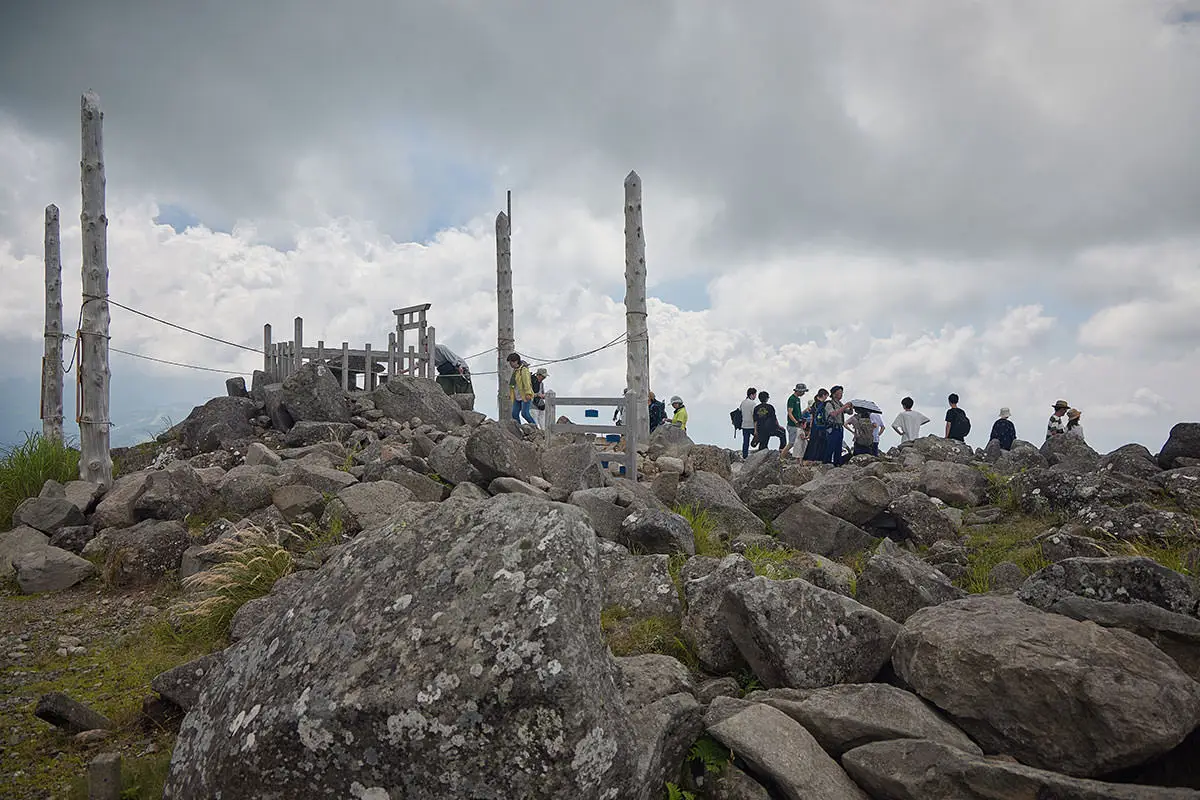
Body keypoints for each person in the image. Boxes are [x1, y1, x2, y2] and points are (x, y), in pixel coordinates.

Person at [824, 385, 854, 465]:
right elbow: (833, 414)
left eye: (842, 393)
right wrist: (844, 407)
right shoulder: (829, 404)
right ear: (834, 394)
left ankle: (837, 463)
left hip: (839, 428)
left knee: (838, 447)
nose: (841, 395)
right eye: (839, 393)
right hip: (832, 428)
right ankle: (827, 463)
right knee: (830, 446)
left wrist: (850, 407)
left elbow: (850, 412)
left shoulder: (839, 404)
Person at [507, 352, 537, 425]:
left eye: (511, 362)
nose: (510, 364)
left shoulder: (523, 370)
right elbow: (513, 384)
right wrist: (511, 394)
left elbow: (526, 382)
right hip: (517, 396)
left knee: (525, 414)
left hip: (525, 395)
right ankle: (519, 429)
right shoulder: (515, 371)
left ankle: (535, 428)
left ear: (516, 361)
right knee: (514, 414)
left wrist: (528, 393)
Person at [783, 383, 809, 459]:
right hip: (792, 425)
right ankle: (781, 457)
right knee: (791, 443)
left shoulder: (797, 399)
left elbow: (797, 413)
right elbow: (790, 413)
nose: (804, 393)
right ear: (799, 391)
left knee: (800, 442)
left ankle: (799, 459)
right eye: (803, 391)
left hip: (798, 424)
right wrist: (796, 422)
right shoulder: (792, 399)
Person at [803, 389, 830, 461]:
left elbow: (812, 417)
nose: (826, 398)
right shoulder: (823, 404)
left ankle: (809, 459)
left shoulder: (814, 404)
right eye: (826, 396)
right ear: (823, 395)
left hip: (815, 426)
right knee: (821, 443)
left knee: (813, 443)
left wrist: (811, 427)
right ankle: (819, 459)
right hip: (821, 426)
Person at [738, 387, 758, 459]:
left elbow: (740, 412)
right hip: (752, 425)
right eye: (755, 394)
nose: (756, 396)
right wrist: (756, 428)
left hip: (744, 425)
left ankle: (745, 456)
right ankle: (759, 450)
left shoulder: (743, 403)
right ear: (752, 395)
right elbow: (755, 416)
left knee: (745, 441)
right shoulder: (753, 404)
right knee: (759, 437)